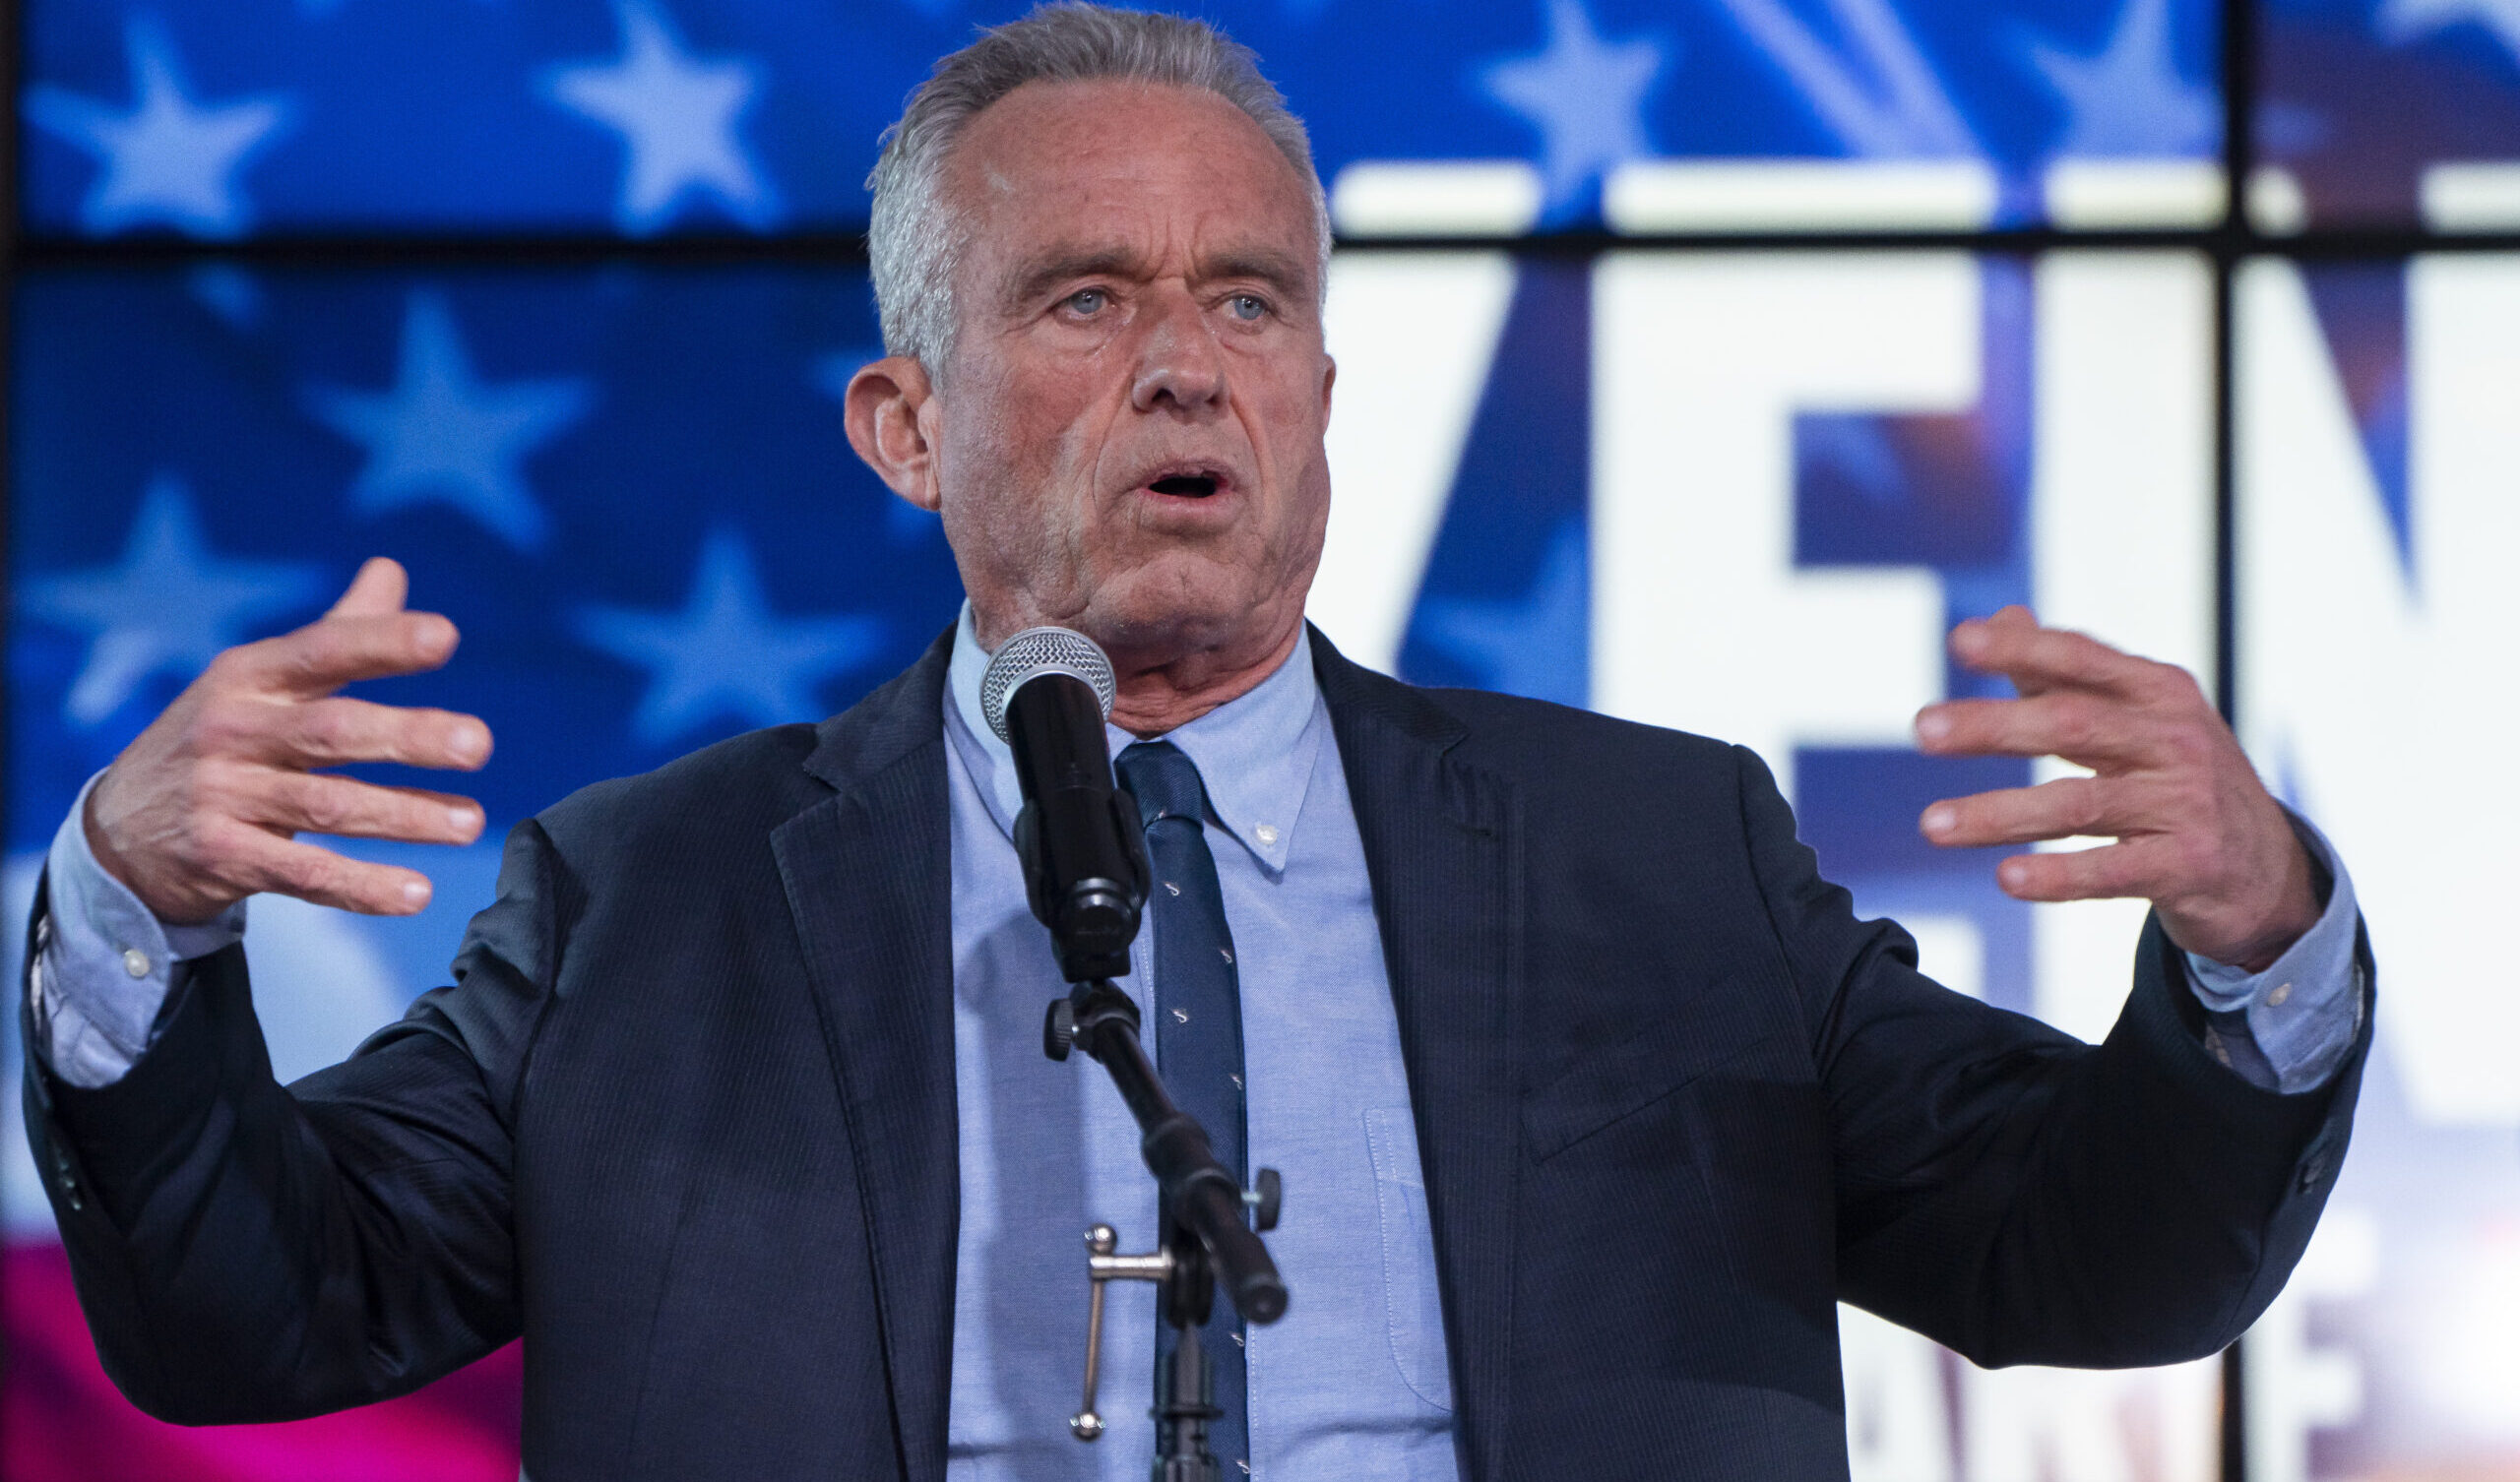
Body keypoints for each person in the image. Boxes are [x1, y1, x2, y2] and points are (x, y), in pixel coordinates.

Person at [22, 7, 2369, 1480]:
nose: (1184, 364)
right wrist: (132, 916)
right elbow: (259, 1319)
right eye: (1084, 300)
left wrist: (2252, 946)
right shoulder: (646, 897)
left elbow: (2091, 1267)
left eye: (1245, 299)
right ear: (901, 427)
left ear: (1322, 402)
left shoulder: (1659, 855)